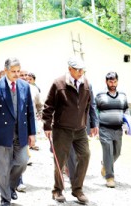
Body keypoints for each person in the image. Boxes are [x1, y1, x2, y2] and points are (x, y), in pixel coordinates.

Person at [0, 57, 36, 206]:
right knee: (2, 168)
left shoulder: (25, 86)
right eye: (13, 72)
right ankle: (5, 198)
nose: (17, 74)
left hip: (21, 133)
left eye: (18, 71)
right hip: (2, 133)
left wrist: (32, 133)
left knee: (22, 162)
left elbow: (30, 111)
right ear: (6, 71)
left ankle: (10, 186)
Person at [42, 56, 94, 204]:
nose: (80, 72)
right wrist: (47, 125)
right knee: (60, 160)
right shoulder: (58, 83)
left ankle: (77, 189)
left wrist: (91, 124)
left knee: (85, 155)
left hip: (80, 129)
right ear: (69, 69)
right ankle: (57, 190)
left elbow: (89, 106)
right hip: (61, 129)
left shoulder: (86, 84)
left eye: (82, 69)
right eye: (77, 69)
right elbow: (48, 106)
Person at [95, 72, 129, 188]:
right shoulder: (100, 95)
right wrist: (95, 126)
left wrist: (127, 125)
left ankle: (105, 164)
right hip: (104, 128)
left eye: (115, 81)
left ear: (117, 81)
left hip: (118, 129)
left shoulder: (123, 95)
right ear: (106, 82)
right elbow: (94, 111)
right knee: (108, 152)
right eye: (110, 81)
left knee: (117, 152)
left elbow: (126, 111)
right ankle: (110, 177)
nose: (113, 84)